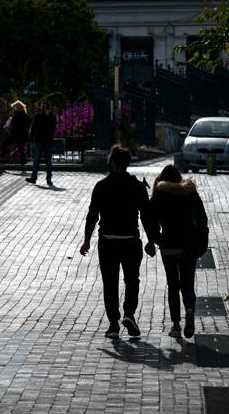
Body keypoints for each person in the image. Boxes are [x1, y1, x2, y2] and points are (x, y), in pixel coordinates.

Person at [80, 145, 159, 339]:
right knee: (132, 280)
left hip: (107, 241)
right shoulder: (138, 187)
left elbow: (92, 216)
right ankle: (129, 314)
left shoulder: (101, 186)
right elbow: (147, 216)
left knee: (110, 282)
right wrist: (151, 240)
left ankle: (113, 324)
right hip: (130, 241)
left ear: (113, 163)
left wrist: (87, 241)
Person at [145, 165, 207, 339]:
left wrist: (156, 239)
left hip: (168, 245)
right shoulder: (190, 193)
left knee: (173, 286)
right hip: (188, 246)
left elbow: (150, 220)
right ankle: (189, 309)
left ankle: (176, 325)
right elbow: (202, 218)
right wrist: (200, 242)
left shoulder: (159, 195)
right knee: (187, 284)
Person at [26, 101, 57, 186]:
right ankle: (34, 178)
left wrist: (48, 116)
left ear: (48, 107)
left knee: (48, 161)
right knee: (36, 160)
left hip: (48, 141)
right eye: (42, 107)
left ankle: (49, 178)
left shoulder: (52, 116)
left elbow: (53, 126)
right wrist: (31, 140)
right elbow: (34, 127)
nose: (43, 108)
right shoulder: (38, 115)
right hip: (38, 140)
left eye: (45, 107)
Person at [1, 100, 32, 167]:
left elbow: (13, 125)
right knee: (21, 149)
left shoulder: (15, 115)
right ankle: (23, 162)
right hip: (23, 135)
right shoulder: (26, 115)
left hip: (15, 135)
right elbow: (29, 124)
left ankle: (4, 156)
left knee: (4, 144)